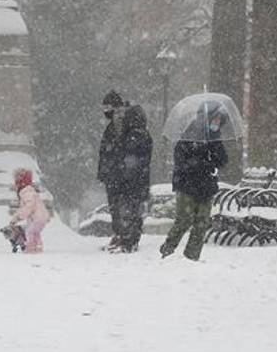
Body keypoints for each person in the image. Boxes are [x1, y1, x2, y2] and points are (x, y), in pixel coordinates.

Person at [160, 107, 228, 261]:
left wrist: (214, 150)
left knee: (202, 223)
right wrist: (202, 161)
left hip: (206, 186)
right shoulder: (189, 134)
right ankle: (168, 249)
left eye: (219, 121)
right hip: (187, 185)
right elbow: (181, 160)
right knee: (184, 220)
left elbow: (223, 160)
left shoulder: (215, 138)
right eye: (215, 119)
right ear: (208, 117)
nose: (217, 123)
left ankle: (192, 256)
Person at [112, 103, 153, 253]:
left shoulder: (131, 136)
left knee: (128, 211)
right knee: (136, 212)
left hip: (129, 181)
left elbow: (127, 158)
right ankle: (132, 239)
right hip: (141, 181)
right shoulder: (145, 135)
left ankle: (128, 241)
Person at [96, 90, 129, 250]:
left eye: (107, 107)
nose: (105, 111)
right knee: (115, 207)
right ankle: (119, 235)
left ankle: (122, 236)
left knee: (119, 206)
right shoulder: (114, 124)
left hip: (118, 174)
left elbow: (115, 149)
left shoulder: (120, 123)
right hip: (114, 173)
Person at [7, 167, 50, 254]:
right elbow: (26, 207)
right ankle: (38, 247)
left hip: (37, 217)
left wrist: (19, 217)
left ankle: (30, 248)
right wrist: (16, 217)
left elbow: (28, 206)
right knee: (35, 233)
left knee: (29, 232)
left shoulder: (26, 191)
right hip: (41, 217)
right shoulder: (30, 191)